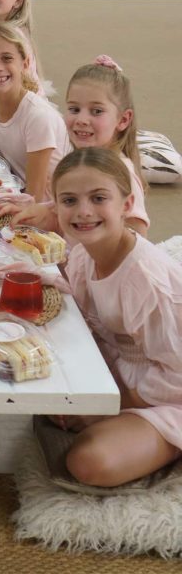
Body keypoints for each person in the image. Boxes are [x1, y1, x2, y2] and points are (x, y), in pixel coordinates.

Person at [51, 148, 182, 487]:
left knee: (91, 462)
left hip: (169, 391)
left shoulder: (144, 279)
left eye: (98, 198)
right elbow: (86, 324)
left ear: (126, 205)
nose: (83, 212)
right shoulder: (82, 255)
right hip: (125, 368)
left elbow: (175, 373)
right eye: (68, 201)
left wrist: (112, 404)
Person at [4, 57, 149, 236]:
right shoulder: (78, 163)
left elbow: (138, 238)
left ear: (123, 119)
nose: (81, 120)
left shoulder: (121, 174)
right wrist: (36, 213)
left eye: (96, 111)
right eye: (74, 109)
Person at [0, 22, 69, 201]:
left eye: (7, 58)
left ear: (25, 64)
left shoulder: (37, 116)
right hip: (20, 197)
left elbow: (35, 197)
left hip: (53, 210)